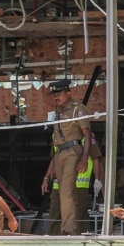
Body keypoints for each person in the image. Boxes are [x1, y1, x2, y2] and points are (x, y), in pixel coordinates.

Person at [46, 79, 93, 235]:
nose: (56, 97)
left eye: (59, 94)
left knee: (66, 192)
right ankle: (67, 228)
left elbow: (87, 134)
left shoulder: (77, 109)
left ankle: (69, 230)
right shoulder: (59, 112)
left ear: (68, 93)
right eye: (54, 94)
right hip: (60, 153)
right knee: (64, 193)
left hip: (73, 151)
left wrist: (84, 158)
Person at [42, 136, 102, 235]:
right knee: (55, 219)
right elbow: (54, 158)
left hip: (79, 186)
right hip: (58, 186)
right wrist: (46, 177)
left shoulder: (85, 136)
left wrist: (97, 179)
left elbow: (95, 157)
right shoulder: (56, 134)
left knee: (77, 220)